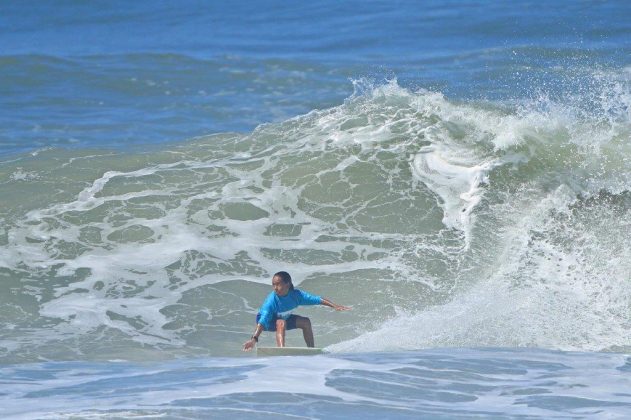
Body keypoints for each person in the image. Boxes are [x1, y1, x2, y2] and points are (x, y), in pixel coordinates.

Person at [242, 271, 350, 351]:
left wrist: (335, 306)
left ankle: (311, 351)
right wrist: (254, 339)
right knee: (281, 322)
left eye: (278, 284)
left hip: (284, 317)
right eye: (273, 284)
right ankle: (281, 351)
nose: (275, 288)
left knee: (305, 322)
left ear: (287, 284)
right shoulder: (272, 301)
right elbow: (263, 319)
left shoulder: (297, 296)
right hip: (267, 322)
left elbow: (318, 299)